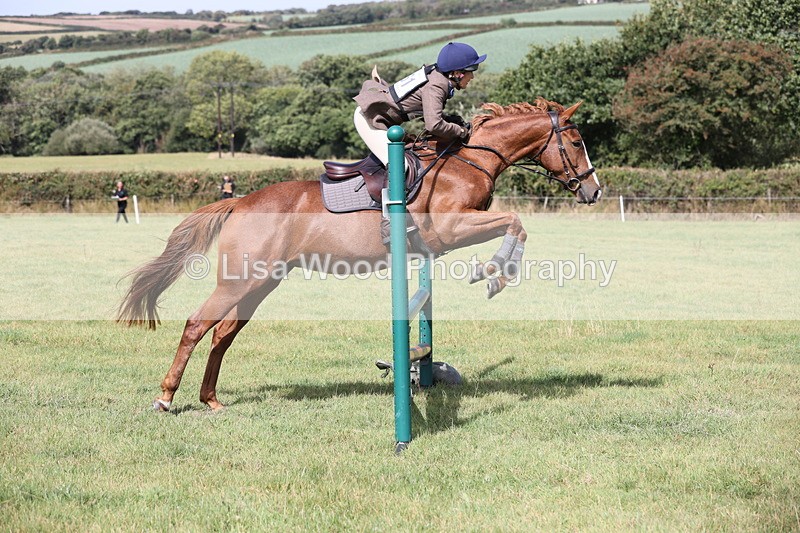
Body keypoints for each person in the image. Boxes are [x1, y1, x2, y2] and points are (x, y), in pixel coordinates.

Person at [353, 41, 487, 166]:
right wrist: (461, 131)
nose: (473, 77)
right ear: (458, 73)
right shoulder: (437, 86)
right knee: (401, 166)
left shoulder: (435, 75)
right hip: (369, 120)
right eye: (471, 71)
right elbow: (433, 125)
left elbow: (427, 111)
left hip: (378, 117)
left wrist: (448, 119)